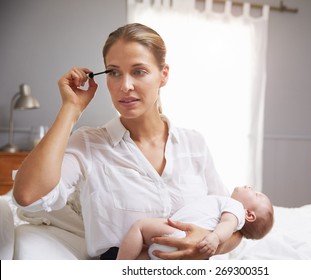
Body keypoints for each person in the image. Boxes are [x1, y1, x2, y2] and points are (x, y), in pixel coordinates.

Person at [12, 23, 242, 260]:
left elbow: (235, 223)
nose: (125, 86)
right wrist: (71, 109)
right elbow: (28, 197)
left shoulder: (194, 144)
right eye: (113, 72)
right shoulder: (89, 144)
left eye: (139, 71)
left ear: (163, 75)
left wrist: (208, 245)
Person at [117, 186, 274, 260]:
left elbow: (227, 223)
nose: (250, 187)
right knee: (147, 256)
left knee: (139, 226)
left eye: (256, 194)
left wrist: (215, 238)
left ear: (249, 214)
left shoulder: (236, 207)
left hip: (179, 235)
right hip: (175, 252)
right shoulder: (229, 206)